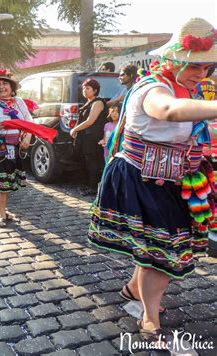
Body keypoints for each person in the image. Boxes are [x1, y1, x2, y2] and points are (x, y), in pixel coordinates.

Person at [88, 18, 217, 346]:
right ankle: (149, 319)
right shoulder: (152, 87)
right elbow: (171, 112)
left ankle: (133, 290)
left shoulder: (189, 89)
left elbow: (195, 131)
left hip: (172, 181)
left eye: (207, 67)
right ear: (173, 59)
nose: (201, 74)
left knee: (159, 250)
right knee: (161, 253)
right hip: (140, 179)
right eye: (194, 66)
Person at [0, 70, 32, 227]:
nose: (2, 87)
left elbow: (29, 121)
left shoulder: (19, 103)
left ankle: (0, 209)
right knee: (1, 182)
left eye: (5, 84)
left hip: (15, 148)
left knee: (8, 182)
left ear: (11, 87)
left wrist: (27, 137)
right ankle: (2, 215)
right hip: (0, 148)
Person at [70, 78, 108, 196]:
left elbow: (90, 121)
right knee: (88, 161)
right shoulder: (89, 102)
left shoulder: (98, 102)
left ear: (95, 90)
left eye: (88, 88)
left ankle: (93, 188)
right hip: (87, 136)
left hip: (93, 136)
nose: (84, 90)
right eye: (83, 88)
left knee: (93, 162)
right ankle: (89, 185)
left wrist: (75, 129)